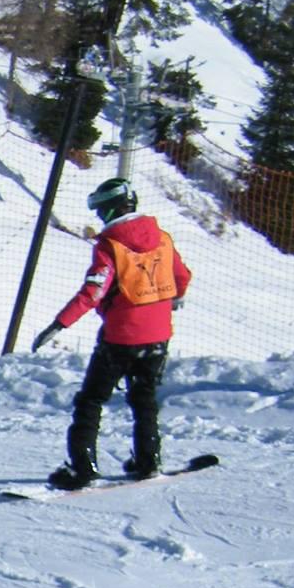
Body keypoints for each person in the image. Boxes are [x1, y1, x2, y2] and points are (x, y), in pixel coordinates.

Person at [32, 178, 192, 489]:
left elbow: (94, 291)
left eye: (100, 210)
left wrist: (59, 324)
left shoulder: (111, 245)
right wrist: (174, 297)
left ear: (109, 209)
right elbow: (181, 276)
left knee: (91, 399)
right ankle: (148, 461)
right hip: (158, 334)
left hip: (121, 337)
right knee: (144, 399)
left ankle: (82, 467)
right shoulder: (162, 238)